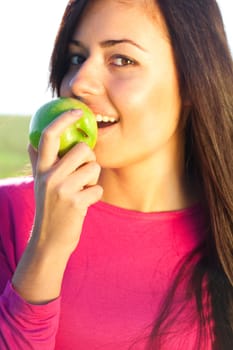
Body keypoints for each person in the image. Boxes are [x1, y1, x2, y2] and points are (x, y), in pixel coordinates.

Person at [0, 0, 232, 349]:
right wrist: (45, 249)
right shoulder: (11, 213)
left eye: (122, 60)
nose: (79, 84)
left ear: (191, 82)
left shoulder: (223, 229)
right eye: (76, 58)